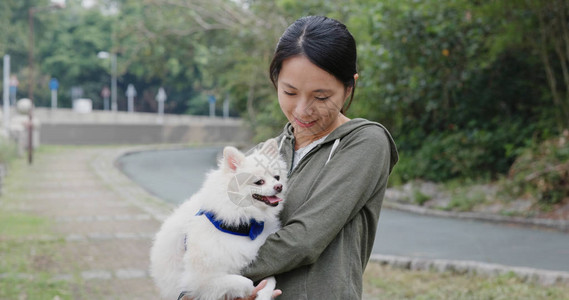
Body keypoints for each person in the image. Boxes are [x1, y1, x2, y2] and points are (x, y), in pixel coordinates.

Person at [240, 15, 399, 299]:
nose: (302, 110)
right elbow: (213, 225)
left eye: (321, 97)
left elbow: (304, 240)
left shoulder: (365, 143)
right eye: (290, 92)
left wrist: (216, 271)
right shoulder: (261, 157)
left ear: (349, 87)